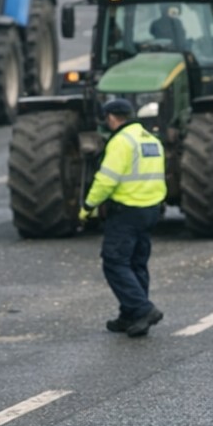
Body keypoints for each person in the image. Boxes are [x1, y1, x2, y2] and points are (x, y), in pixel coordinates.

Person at [79, 98, 166, 338]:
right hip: (151, 209)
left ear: (111, 118)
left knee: (115, 262)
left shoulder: (121, 142)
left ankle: (142, 309)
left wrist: (88, 206)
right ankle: (131, 315)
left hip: (127, 210)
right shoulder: (151, 140)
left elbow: (106, 179)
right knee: (137, 262)